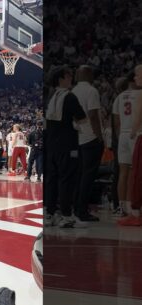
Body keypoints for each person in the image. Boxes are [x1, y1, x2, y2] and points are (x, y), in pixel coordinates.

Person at [45, 65, 87, 228]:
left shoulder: (50, 97)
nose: (71, 79)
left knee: (52, 180)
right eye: (69, 76)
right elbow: (82, 119)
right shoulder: (70, 97)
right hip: (68, 144)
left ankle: (49, 214)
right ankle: (66, 215)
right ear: (61, 78)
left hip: (52, 145)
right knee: (67, 179)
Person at [72, 65, 104, 221]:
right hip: (90, 137)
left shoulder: (73, 91)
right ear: (88, 75)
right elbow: (92, 115)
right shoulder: (91, 91)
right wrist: (99, 136)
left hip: (77, 138)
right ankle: (82, 210)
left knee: (79, 175)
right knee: (88, 176)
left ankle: (76, 207)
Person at [112, 72, 138, 220]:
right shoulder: (140, 95)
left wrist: (120, 136)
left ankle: (122, 207)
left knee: (123, 173)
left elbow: (116, 122)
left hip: (122, 135)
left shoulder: (119, 97)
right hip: (136, 134)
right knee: (135, 172)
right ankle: (134, 207)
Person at [119, 64, 142, 226]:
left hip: (129, 133)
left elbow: (138, 115)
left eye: (138, 74)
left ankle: (130, 210)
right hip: (132, 134)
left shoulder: (122, 96)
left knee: (132, 174)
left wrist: (134, 130)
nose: (135, 77)